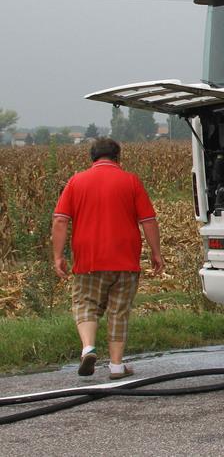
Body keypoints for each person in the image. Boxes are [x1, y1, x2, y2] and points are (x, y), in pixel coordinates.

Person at [52, 137, 164, 379]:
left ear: (92, 157)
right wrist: (156, 253)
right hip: (125, 259)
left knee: (86, 304)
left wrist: (58, 256)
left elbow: (61, 219)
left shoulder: (76, 181)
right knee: (118, 311)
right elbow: (148, 221)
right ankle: (115, 366)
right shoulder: (131, 181)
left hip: (88, 259)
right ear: (117, 157)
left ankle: (89, 348)